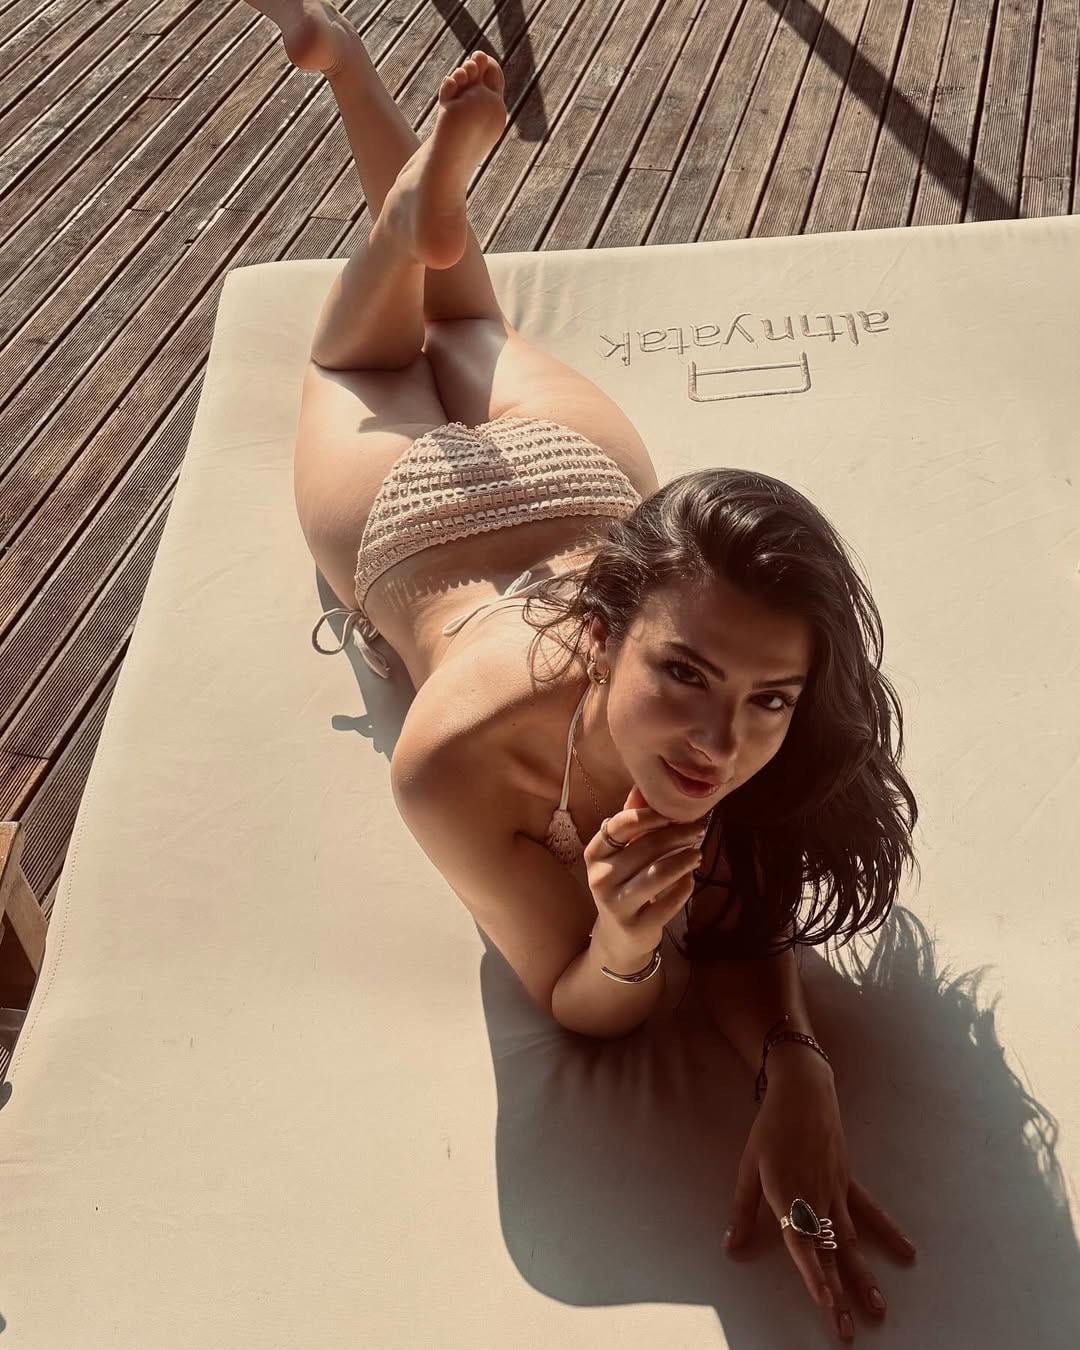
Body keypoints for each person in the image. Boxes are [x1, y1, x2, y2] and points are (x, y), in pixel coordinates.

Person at [248, 1, 920, 1339]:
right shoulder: (458, 754)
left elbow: (740, 906)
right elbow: (583, 1004)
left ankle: (394, 150)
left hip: (589, 486)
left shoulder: (725, 685)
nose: (720, 742)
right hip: (412, 518)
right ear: (607, 631)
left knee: (451, 299)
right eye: (688, 676)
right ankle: (390, 153)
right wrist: (620, 939)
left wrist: (795, 1060)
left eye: (769, 700)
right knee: (362, 350)